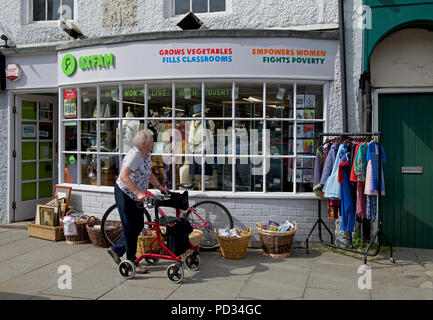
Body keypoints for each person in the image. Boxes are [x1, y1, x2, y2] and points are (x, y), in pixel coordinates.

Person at [107, 129, 169, 273]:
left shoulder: (146, 154)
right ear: (143, 144)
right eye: (152, 141)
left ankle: (116, 250)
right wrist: (138, 192)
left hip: (136, 194)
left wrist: (159, 187)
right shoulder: (135, 155)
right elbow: (124, 176)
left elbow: (148, 173)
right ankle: (131, 261)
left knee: (138, 225)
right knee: (130, 227)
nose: (154, 143)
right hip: (125, 193)